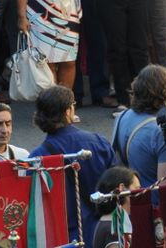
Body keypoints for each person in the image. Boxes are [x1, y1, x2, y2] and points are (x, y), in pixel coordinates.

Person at [30, 84, 115, 247]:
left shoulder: (36, 159)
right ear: (68, 111)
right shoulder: (98, 142)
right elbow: (116, 184)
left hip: (62, 237)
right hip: (100, 232)